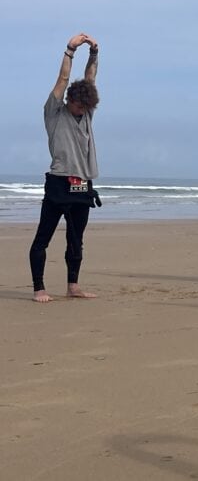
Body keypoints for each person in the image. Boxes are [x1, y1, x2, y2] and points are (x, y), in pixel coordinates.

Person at [28, 33, 102, 303]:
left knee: (76, 239)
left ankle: (73, 286)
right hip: (58, 183)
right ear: (70, 100)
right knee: (43, 237)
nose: (82, 110)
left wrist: (94, 53)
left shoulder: (86, 114)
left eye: (86, 107)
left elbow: (90, 79)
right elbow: (62, 81)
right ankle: (39, 288)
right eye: (79, 105)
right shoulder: (54, 113)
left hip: (81, 184)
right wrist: (70, 50)